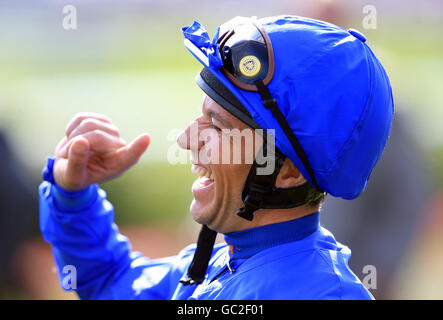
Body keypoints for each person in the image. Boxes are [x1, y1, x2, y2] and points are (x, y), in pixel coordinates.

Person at [39, 15, 394, 299]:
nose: (185, 139)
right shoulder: (218, 264)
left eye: (218, 126)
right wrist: (73, 197)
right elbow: (109, 284)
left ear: (287, 172)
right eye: (200, 115)